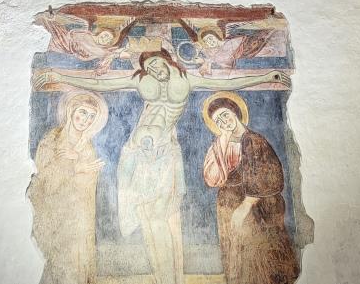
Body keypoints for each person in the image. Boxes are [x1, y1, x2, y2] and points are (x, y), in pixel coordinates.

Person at [34, 50, 289, 284]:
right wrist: (60, 76)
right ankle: (161, 275)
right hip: (136, 151)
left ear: (167, 60)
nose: (155, 69)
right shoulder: (142, 82)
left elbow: (227, 82)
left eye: (157, 63)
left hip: (163, 153)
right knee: (142, 213)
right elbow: (103, 84)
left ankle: (169, 277)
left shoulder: (186, 80)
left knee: (161, 216)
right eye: (150, 67)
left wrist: (265, 76)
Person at [202, 94, 299, 283]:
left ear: (235, 112)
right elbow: (212, 179)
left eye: (225, 114)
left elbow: (268, 177)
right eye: (218, 120)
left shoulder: (254, 140)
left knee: (257, 258)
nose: (223, 121)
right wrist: (223, 141)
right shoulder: (219, 145)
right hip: (228, 206)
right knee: (236, 257)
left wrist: (245, 206)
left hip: (255, 209)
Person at [29, 92, 108, 284]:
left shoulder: (87, 147)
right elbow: (44, 180)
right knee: (59, 265)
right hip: (56, 215)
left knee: (78, 264)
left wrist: (82, 166)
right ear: (71, 110)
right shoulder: (52, 140)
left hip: (79, 218)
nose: (86, 120)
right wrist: (75, 167)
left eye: (92, 116)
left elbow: (88, 186)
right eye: (83, 112)